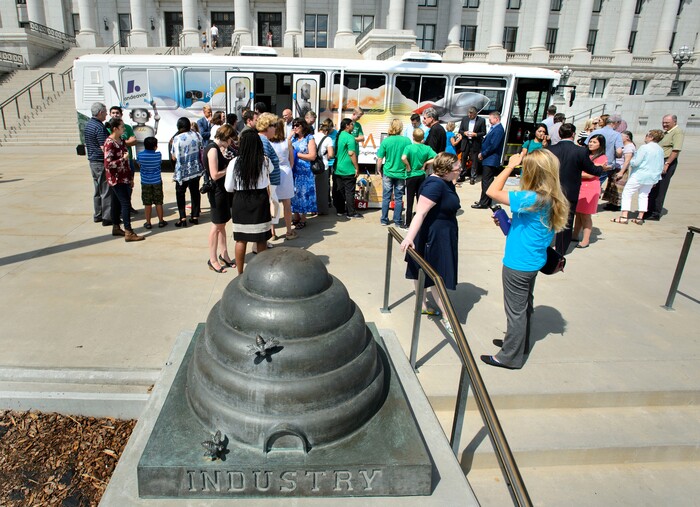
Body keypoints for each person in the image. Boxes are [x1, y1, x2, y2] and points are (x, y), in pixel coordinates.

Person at [481, 150, 569, 369]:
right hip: (533, 260)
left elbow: (491, 190)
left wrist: (510, 165)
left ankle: (509, 357)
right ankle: (519, 344)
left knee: (515, 311)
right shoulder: (550, 197)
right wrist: (509, 223)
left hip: (518, 263)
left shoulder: (530, 198)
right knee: (524, 307)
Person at [400, 153, 461, 331]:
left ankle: (423, 305)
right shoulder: (435, 185)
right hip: (434, 236)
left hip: (443, 232)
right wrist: (409, 237)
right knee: (437, 276)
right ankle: (447, 316)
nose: (460, 171)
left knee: (422, 271)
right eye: (457, 169)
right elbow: (420, 213)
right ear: (446, 171)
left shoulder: (446, 181)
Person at [548, 123, 605, 253]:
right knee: (567, 222)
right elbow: (592, 169)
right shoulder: (580, 151)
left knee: (549, 218)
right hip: (570, 191)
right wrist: (602, 168)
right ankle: (561, 251)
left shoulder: (550, 149)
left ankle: (544, 245)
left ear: (559, 134)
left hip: (552, 191)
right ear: (573, 134)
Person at [224, 130, 273, 274]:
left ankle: (240, 273)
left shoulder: (234, 162)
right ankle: (261, 272)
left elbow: (228, 187)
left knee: (241, 239)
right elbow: (272, 170)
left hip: (241, 200)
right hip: (260, 200)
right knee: (261, 239)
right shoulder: (264, 161)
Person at [611, 129, 665, 225]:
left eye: (647, 135)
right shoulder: (660, 149)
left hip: (639, 175)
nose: (646, 137)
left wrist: (631, 160)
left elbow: (636, 162)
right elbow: (660, 165)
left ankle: (624, 216)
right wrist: (656, 179)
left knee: (627, 193)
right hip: (651, 177)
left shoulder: (645, 148)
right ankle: (640, 217)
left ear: (651, 137)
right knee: (644, 195)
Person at [103, 118, 144, 242]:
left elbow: (125, 154)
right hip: (116, 179)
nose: (124, 128)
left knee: (117, 202)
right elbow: (108, 164)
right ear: (115, 128)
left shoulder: (120, 140)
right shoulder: (109, 143)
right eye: (122, 126)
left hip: (124, 177)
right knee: (125, 203)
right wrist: (123, 160)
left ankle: (116, 227)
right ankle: (128, 231)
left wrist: (130, 177)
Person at [203, 124, 236, 273]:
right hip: (217, 192)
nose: (231, 143)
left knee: (221, 224)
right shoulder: (212, 149)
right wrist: (229, 168)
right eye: (230, 140)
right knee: (216, 226)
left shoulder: (218, 148)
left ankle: (224, 255)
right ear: (226, 138)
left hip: (223, 191)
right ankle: (213, 259)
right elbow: (214, 174)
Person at [646, 114, 684, 221]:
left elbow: (676, 150)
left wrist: (667, 164)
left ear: (674, 122)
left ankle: (655, 212)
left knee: (660, 188)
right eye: (663, 122)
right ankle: (648, 209)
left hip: (666, 162)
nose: (664, 124)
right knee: (653, 187)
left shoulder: (677, 132)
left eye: (667, 123)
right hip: (658, 161)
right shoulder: (666, 133)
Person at [574, 134, 607, 248]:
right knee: (578, 213)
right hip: (580, 186)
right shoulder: (584, 154)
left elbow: (591, 174)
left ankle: (585, 240)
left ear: (600, 145)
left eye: (594, 142)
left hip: (591, 188)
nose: (591, 144)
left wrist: (576, 174)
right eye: (590, 141)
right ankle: (574, 235)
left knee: (586, 215)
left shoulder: (602, 158)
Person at [376, 119, 411, 227]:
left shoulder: (386, 141)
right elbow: (409, 156)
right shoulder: (407, 141)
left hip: (388, 171)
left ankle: (384, 219)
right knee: (399, 198)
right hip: (401, 172)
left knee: (386, 196)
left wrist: (378, 170)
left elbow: (380, 158)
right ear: (400, 128)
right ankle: (397, 221)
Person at [170, 117, 204, 227]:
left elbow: (174, 157)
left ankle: (182, 218)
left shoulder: (177, 138)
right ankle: (195, 216)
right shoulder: (197, 135)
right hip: (195, 169)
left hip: (182, 171)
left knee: (180, 193)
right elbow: (201, 149)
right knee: (194, 192)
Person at [402, 128, 436, 229]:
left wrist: (408, 166)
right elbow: (437, 157)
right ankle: (420, 221)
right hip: (421, 175)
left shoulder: (409, 147)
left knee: (409, 201)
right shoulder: (427, 148)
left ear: (413, 136)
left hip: (410, 175)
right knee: (420, 200)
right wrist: (426, 163)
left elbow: (403, 158)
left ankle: (407, 223)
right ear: (422, 138)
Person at [85, 102, 111, 226]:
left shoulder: (89, 125)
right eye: (105, 112)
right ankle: (107, 217)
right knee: (106, 190)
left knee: (97, 189)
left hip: (92, 161)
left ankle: (98, 214)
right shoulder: (99, 127)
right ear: (100, 112)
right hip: (100, 162)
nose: (106, 114)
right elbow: (103, 147)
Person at [472, 111, 505, 209]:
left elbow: (493, 145)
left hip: (491, 159)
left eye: (490, 119)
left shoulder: (498, 130)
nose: (489, 121)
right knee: (487, 181)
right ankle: (485, 200)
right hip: (489, 158)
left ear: (496, 119)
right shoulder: (495, 128)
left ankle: (484, 203)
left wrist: (483, 153)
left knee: (486, 181)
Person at [270, 118, 296, 239]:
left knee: (273, 203)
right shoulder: (287, 142)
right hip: (285, 172)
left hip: (272, 173)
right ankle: (289, 231)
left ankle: (272, 232)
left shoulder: (268, 142)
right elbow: (292, 161)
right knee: (287, 204)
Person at [290, 117, 318, 229]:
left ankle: (303, 218)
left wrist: (297, 154)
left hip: (305, 172)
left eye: (297, 125)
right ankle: (296, 216)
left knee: (304, 194)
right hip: (294, 171)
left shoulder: (309, 138)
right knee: (294, 194)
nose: (295, 128)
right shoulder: (293, 139)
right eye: (293, 125)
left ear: (303, 126)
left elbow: (312, 156)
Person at [333, 118, 361, 219]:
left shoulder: (339, 135)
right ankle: (351, 212)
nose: (353, 127)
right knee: (350, 191)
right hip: (348, 168)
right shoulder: (350, 138)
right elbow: (351, 153)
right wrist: (357, 167)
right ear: (347, 126)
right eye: (352, 125)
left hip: (338, 168)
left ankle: (340, 210)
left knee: (340, 190)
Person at [136, 136, 166, 229]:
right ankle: (161, 221)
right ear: (155, 146)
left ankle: (148, 222)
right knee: (158, 202)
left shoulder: (140, 155)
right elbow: (159, 163)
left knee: (147, 203)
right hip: (157, 181)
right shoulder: (158, 155)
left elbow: (139, 164)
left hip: (145, 182)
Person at [602, 130, 636, 211]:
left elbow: (627, 161)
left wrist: (621, 172)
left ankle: (616, 205)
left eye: (621, 137)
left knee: (618, 187)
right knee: (612, 186)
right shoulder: (622, 146)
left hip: (621, 169)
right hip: (615, 168)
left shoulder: (630, 147)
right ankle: (611, 202)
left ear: (627, 137)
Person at [458, 106, 486, 184]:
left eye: (471, 115)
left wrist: (475, 134)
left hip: (475, 143)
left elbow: (484, 132)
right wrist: (464, 133)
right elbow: (460, 130)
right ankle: (462, 175)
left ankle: (473, 177)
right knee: (463, 159)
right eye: (468, 114)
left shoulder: (481, 120)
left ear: (475, 114)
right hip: (466, 142)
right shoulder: (465, 119)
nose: (469, 116)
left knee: (474, 161)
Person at [313, 119, 335, 215]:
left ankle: (313, 209)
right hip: (323, 166)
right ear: (327, 131)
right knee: (322, 189)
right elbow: (330, 155)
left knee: (313, 188)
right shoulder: (328, 139)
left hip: (312, 165)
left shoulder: (312, 137)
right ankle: (322, 210)